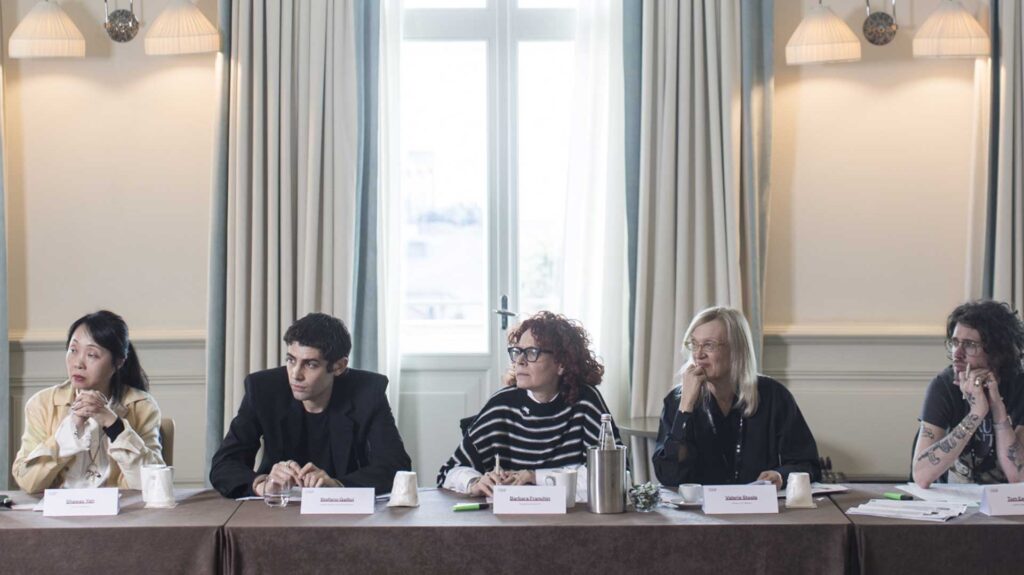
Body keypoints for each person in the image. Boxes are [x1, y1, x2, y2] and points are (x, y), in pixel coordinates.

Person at [210, 313, 411, 497]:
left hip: (345, 516)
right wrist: (262, 484)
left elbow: (396, 466)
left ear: (339, 366)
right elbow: (224, 464)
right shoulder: (263, 389)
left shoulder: (368, 392)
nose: (295, 374)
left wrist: (337, 485)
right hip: (278, 510)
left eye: (311, 364)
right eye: (291, 360)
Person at [437, 311, 622, 501]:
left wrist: (534, 477)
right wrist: (474, 482)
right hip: (511, 523)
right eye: (517, 352)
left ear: (561, 364)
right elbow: (449, 472)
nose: (519, 361)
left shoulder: (586, 401)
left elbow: (615, 478)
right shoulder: (501, 405)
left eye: (532, 352)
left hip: (571, 522)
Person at [652, 306, 820, 488]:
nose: (698, 354)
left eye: (709, 345)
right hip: (699, 513)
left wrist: (780, 476)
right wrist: (686, 406)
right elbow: (668, 475)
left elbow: (808, 465)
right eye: (694, 344)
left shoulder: (773, 395)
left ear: (736, 349)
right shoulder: (676, 400)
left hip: (761, 509)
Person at [12, 310, 164, 493]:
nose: (78, 363)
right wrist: (71, 427)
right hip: (57, 517)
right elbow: (28, 482)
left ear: (118, 362)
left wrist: (113, 424)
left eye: (92, 354)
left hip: (121, 515)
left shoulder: (142, 406)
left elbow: (153, 483)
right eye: (73, 350)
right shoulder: (42, 404)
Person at [913, 300, 1024, 487]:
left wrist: (997, 407)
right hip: (948, 505)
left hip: (1005, 507)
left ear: (997, 352)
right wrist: (975, 413)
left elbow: (1019, 477)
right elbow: (921, 475)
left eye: (970, 344)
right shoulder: (943, 386)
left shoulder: (1020, 388)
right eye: (955, 342)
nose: (957, 353)